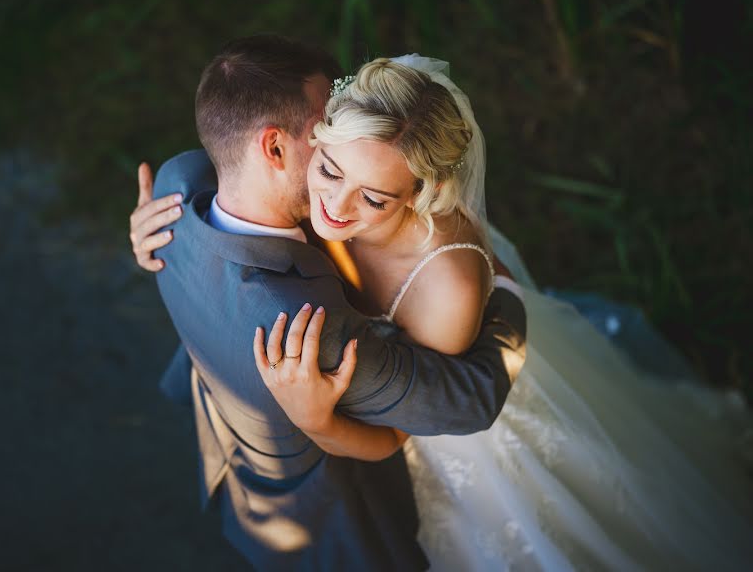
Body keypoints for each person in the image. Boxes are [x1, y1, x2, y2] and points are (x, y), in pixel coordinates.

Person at [245, 55, 753, 570]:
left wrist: (313, 419)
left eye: (374, 199)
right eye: (329, 169)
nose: (335, 204)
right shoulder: (317, 179)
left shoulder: (445, 291)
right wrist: (158, 227)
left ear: (422, 193)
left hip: (473, 445)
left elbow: (406, 430)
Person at [130, 36, 527, 571]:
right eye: (324, 137)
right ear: (273, 147)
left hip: (260, 436)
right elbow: (471, 398)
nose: (334, 132)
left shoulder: (178, 183)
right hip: (302, 489)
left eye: (372, 195)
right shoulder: (307, 332)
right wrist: (509, 294)